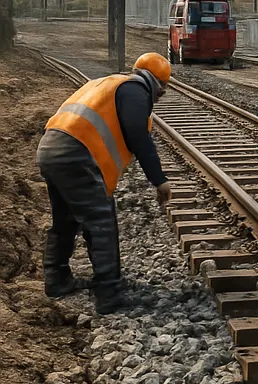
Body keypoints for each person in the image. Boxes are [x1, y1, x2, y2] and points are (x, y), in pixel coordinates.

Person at [37, 52, 173, 315]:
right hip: (75, 154)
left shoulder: (111, 83)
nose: (160, 96)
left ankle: (57, 280)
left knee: (65, 220)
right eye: (163, 90)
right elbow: (139, 137)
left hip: (50, 148)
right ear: (158, 84)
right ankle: (108, 294)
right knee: (101, 222)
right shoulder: (136, 91)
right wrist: (159, 180)